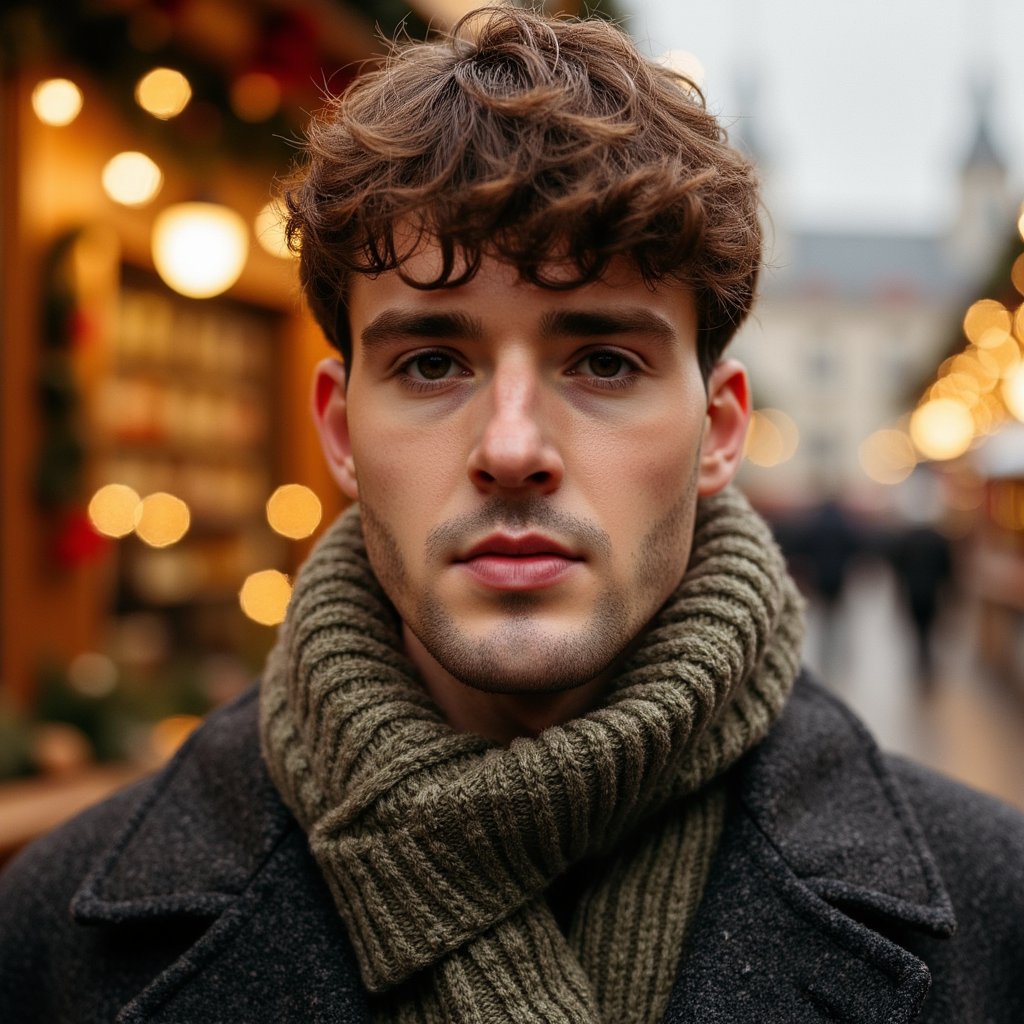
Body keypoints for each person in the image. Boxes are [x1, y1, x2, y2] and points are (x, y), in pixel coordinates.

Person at [1, 7, 1022, 1022]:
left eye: (605, 363)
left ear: (717, 431)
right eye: (433, 363)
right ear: (341, 430)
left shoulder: (996, 912)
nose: (513, 449)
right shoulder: (46, 937)